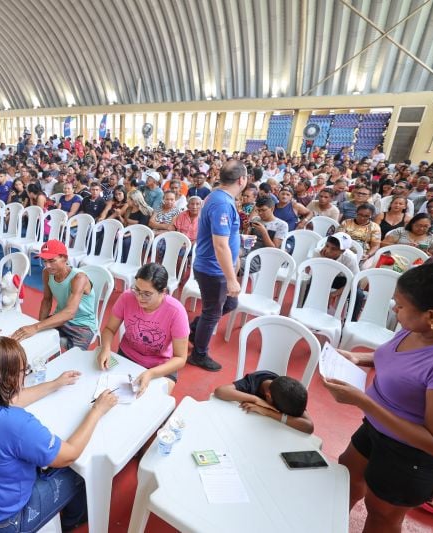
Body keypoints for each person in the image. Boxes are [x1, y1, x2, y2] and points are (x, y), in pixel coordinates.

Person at [323, 256, 433, 533]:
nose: (394, 309)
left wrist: (362, 401)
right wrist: (358, 358)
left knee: (381, 516)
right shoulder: (420, 329)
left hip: (414, 458)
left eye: (400, 306)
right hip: (378, 430)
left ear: (432, 316)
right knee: (345, 478)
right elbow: (399, 360)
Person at [0, 337, 117, 532]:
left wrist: (54, 384)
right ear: (9, 379)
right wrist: (97, 411)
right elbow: (70, 454)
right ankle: (73, 520)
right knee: (79, 470)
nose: (24, 376)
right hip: (2, 522)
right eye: (23, 371)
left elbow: (12, 399)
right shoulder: (14, 423)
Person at [189, 161, 247, 372]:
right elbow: (220, 244)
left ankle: (195, 328)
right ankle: (199, 354)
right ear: (242, 180)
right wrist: (232, 279)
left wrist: (235, 258)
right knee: (213, 312)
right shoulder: (221, 202)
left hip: (218, 266)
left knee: (229, 305)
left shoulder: (218, 196)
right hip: (213, 269)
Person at [96, 264, 188, 394]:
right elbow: (109, 329)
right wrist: (106, 349)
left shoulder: (176, 312)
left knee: (153, 403)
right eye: (137, 290)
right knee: (107, 391)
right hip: (127, 356)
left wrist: (151, 373)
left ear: (163, 292)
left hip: (160, 365)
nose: (139, 297)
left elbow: (180, 358)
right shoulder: (127, 297)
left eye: (147, 294)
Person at [12, 240, 97, 350]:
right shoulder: (46, 273)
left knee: (74, 360)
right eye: (44, 261)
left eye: (52, 261)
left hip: (82, 325)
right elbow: (47, 300)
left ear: (65, 258)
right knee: (34, 340)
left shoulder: (79, 278)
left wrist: (36, 327)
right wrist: (39, 324)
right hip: (60, 318)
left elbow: (70, 312)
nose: (47, 265)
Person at [214, 372, 313, 434]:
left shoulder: (289, 394)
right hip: (242, 429)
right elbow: (220, 391)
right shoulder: (252, 382)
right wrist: (257, 400)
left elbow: (309, 426)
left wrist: (269, 412)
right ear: (268, 396)